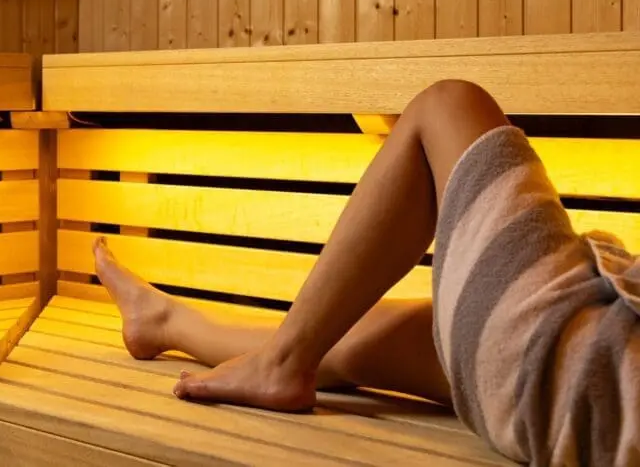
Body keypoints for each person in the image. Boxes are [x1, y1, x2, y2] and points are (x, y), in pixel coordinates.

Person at [92, 79, 639, 466]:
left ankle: (281, 363)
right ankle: (163, 321)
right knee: (354, 338)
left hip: (579, 370)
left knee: (447, 104)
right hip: (587, 394)